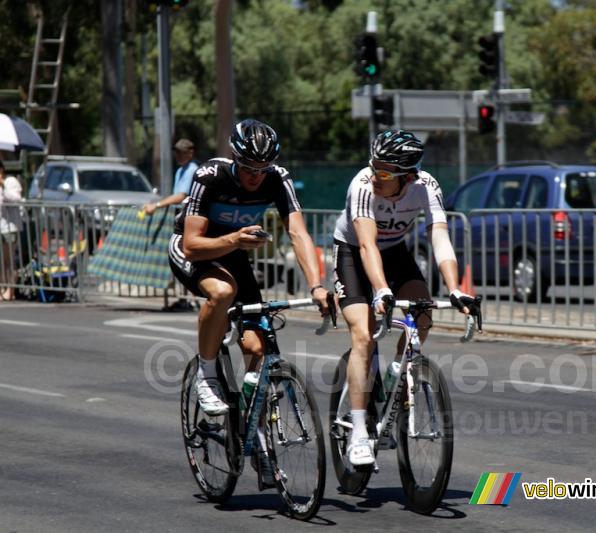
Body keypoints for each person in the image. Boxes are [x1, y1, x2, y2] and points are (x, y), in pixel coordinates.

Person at [332, 129, 474, 466]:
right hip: (353, 253)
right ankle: (358, 433)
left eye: (384, 172)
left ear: (407, 177)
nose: (374, 174)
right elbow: (366, 245)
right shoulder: (363, 184)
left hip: (394, 251)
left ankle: (398, 372)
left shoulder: (427, 187)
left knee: (423, 315)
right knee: (363, 336)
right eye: (373, 165)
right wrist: (380, 289)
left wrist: (454, 288)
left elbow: (439, 236)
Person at [168, 119, 329, 415]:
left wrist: (317, 286)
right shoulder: (210, 176)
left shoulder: (278, 178)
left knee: (256, 349)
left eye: (263, 168)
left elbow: (298, 233)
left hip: (234, 253)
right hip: (194, 249)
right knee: (222, 291)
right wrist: (233, 238)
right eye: (248, 167)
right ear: (234, 157)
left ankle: (250, 427)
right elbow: (192, 245)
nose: (256, 176)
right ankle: (207, 375)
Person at [143, 138, 199, 215]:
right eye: (177, 152)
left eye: (182, 152)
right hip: (180, 213)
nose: (178, 155)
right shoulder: (180, 170)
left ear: (190, 153)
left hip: (189, 215)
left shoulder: (191, 169)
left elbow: (180, 197)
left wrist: (156, 205)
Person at [0, 161, 22, 301]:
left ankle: (10, 290)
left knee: (8, 261)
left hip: (9, 227)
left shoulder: (11, 182)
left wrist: (2, 184)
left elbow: (16, 198)